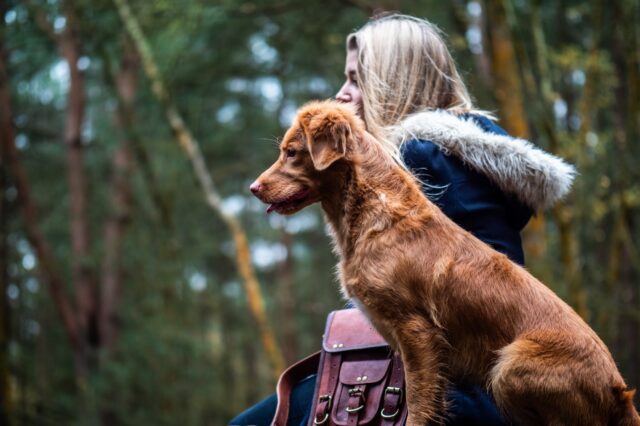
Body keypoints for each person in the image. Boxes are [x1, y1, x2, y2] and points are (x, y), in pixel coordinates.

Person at [231, 13, 574, 426]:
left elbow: (433, 319)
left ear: (394, 83)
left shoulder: (417, 158)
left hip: (459, 387)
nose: (342, 94)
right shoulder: (454, 154)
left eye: (356, 80)